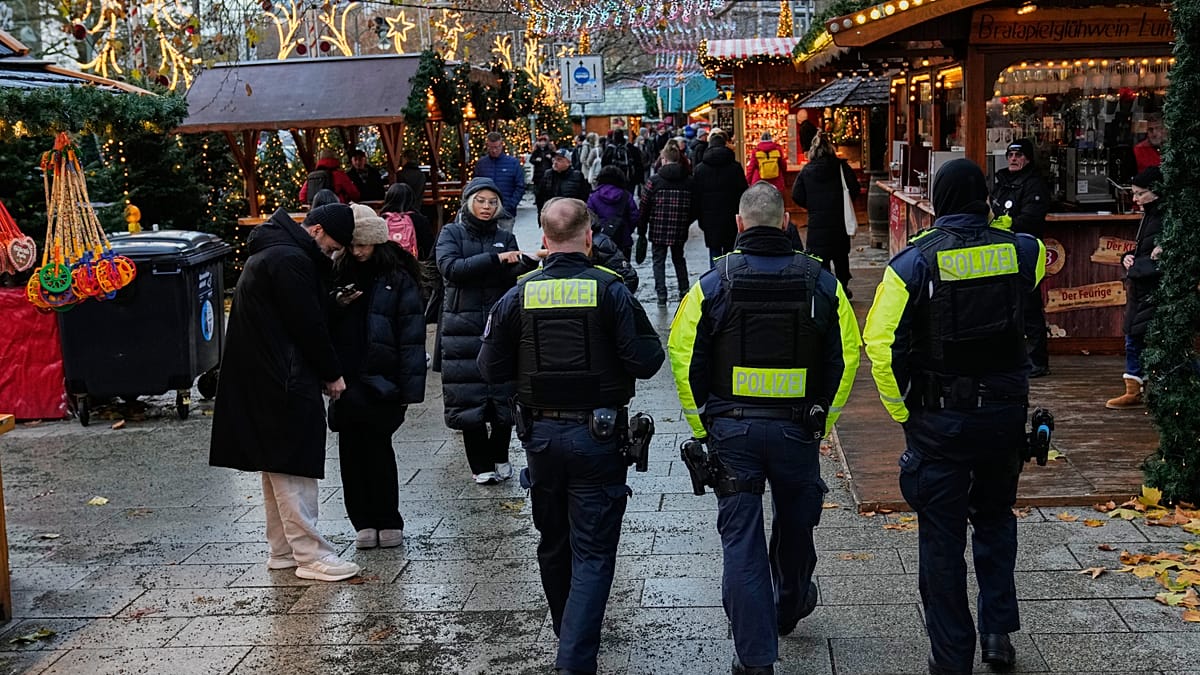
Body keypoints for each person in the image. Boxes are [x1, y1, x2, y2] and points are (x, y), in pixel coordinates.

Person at [667, 183, 861, 675]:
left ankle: (755, 659)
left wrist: (702, 427)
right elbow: (847, 355)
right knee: (796, 526)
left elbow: (683, 355)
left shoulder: (713, 283)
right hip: (797, 432)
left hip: (733, 434)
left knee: (742, 541)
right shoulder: (822, 282)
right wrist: (823, 420)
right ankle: (789, 604)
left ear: (739, 224)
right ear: (785, 222)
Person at [863, 158, 1045, 675]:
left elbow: (881, 345)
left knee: (941, 539)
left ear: (939, 201)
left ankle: (951, 657)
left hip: (940, 421)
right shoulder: (1023, 252)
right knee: (995, 520)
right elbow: (1024, 266)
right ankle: (997, 635)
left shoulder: (911, 264)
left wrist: (903, 411)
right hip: (1004, 419)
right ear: (984, 197)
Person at [477, 196, 665, 675]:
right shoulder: (611, 289)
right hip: (598, 438)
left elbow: (490, 367)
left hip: (540, 438)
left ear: (543, 239)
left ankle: (570, 632)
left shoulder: (518, 294)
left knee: (554, 540)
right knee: (594, 550)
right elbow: (646, 360)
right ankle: (574, 659)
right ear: (588, 237)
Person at [209, 203, 361, 583]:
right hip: (283, 379)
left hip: (263, 376)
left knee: (277, 465)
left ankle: (283, 550)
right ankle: (311, 554)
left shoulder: (274, 252)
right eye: (331, 247)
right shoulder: (290, 259)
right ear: (317, 230)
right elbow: (307, 324)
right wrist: (332, 373)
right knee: (294, 467)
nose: (332, 255)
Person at [330, 204, 427, 549]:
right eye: (353, 245)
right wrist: (337, 303)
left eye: (364, 244)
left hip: (383, 381)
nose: (358, 251)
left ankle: (387, 519)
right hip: (347, 378)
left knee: (378, 450)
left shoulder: (398, 276)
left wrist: (409, 391)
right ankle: (362, 521)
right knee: (350, 452)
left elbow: (411, 336)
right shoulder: (336, 272)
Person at [435, 177, 536, 485]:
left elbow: (511, 274)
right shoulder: (451, 233)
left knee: (504, 396)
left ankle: (500, 455)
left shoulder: (505, 236)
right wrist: (495, 259)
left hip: (499, 325)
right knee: (469, 399)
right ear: (468, 202)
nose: (486, 207)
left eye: (492, 202)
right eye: (480, 201)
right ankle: (481, 466)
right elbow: (451, 269)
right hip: (460, 328)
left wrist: (529, 261)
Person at [991, 138, 1051, 377]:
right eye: (1010, 155)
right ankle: (1012, 357)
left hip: (1026, 250)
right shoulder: (1001, 181)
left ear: (1027, 158)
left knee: (1029, 306)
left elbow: (1032, 217)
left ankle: (1037, 360)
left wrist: (1009, 224)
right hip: (1001, 250)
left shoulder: (1034, 184)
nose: (1013, 159)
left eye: (1018, 155)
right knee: (1005, 306)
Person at [1106, 166, 1165, 409]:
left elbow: (1160, 259)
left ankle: (1139, 388)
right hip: (1142, 286)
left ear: (1155, 192)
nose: (1135, 199)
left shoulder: (1165, 217)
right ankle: (1134, 387)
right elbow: (1146, 251)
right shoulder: (1150, 215)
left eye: (1140, 193)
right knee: (1135, 337)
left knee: (1150, 340)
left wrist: (1135, 266)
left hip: (1153, 287)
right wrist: (1128, 257)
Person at [792, 132, 860, 298]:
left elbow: (796, 194)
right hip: (839, 222)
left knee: (820, 260)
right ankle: (843, 288)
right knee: (841, 257)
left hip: (817, 224)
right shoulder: (841, 167)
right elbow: (855, 188)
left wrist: (811, 205)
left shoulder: (807, 171)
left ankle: (825, 291)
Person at [637, 144, 696, 307]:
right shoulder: (689, 181)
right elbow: (695, 206)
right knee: (679, 259)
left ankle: (661, 295)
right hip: (679, 227)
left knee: (658, 261)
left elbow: (644, 206)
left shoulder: (654, 181)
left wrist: (642, 228)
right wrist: (686, 220)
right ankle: (684, 290)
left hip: (658, 227)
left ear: (664, 159)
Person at [692, 131, 749, 264]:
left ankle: (715, 274)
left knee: (714, 250)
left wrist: (698, 216)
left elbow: (696, 196)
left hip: (709, 217)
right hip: (731, 215)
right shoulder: (735, 167)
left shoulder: (700, 169)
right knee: (730, 250)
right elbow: (743, 192)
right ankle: (729, 274)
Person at [379, 183, 436, 305]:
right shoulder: (419, 220)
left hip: (387, 270)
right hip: (415, 270)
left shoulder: (382, 221)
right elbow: (430, 248)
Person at [473, 132, 526, 232]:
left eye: (496, 147)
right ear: (487, 146)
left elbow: (520, 186)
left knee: (505, 239)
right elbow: (475, 186)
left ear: (501, 145)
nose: (494, 150)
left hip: (505, 212)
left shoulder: (513, 163)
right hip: (485, 212)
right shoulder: (481, 164)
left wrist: (511, 204)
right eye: (491, 147)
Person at [537, 148, 592, 214]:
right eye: (554, 159)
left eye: (559, 160)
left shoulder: (577, 176)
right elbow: (540, 197)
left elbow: (584, 197)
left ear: (568, 162)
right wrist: (541, 215)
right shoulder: (548, 175)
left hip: (571, 214)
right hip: (551, 214)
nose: (555, 162)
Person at [600, 129, 644, 198]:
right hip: (629, 179)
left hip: (613, 180)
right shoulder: (631, 147)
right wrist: (639, 179)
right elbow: (638, 163)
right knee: (628, 198)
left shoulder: (609, 149)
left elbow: (604, 164)